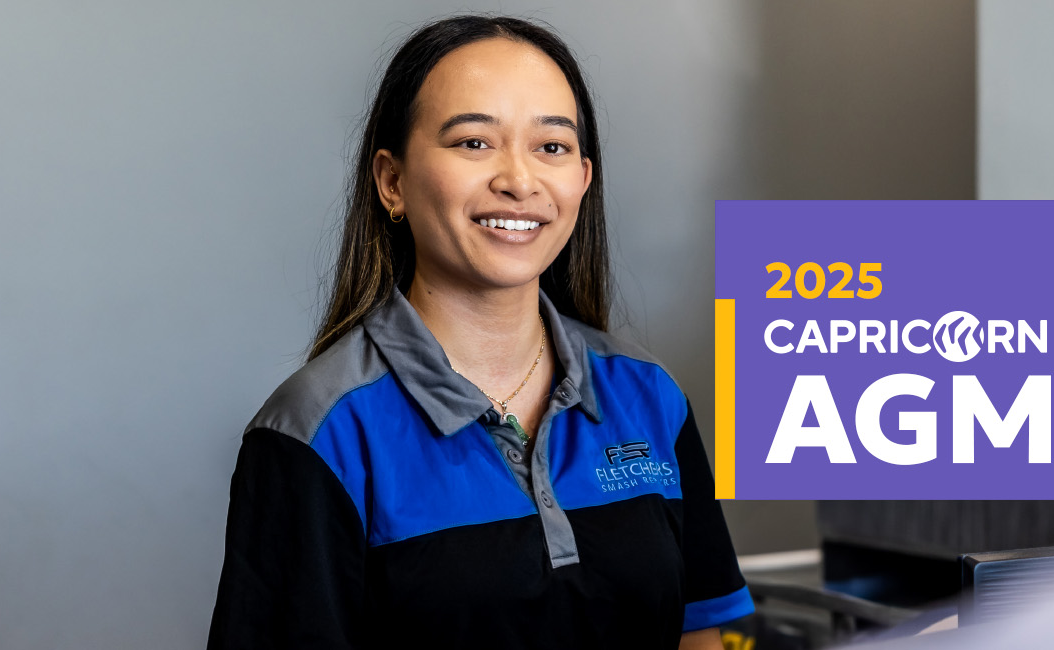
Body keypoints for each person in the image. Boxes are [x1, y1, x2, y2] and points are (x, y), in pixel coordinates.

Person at [206, 15, 752, 649]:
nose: (519, 181)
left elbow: (700, 633)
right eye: (473, 142)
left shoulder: (648, 395)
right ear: (392, 182)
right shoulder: (317, 435)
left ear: (581, 179)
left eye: (551, 146)